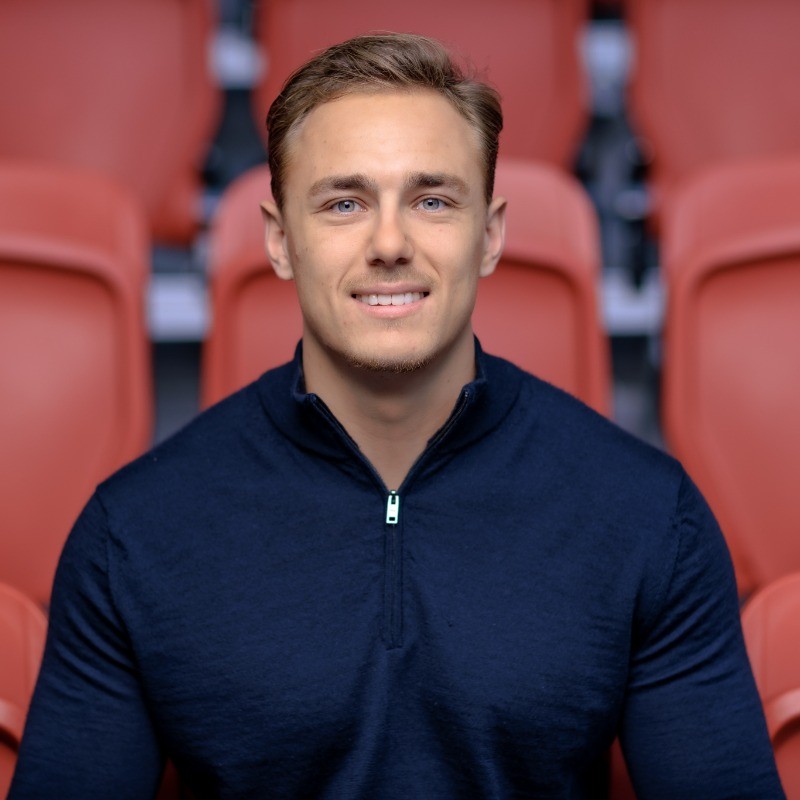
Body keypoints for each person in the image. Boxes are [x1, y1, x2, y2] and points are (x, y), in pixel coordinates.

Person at [10, 33, 784, 800]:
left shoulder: (646, 514)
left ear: (490, 236)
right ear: (280, 241)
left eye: (432, 201)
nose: (389, 243)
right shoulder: (135, 531)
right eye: (344, 203)